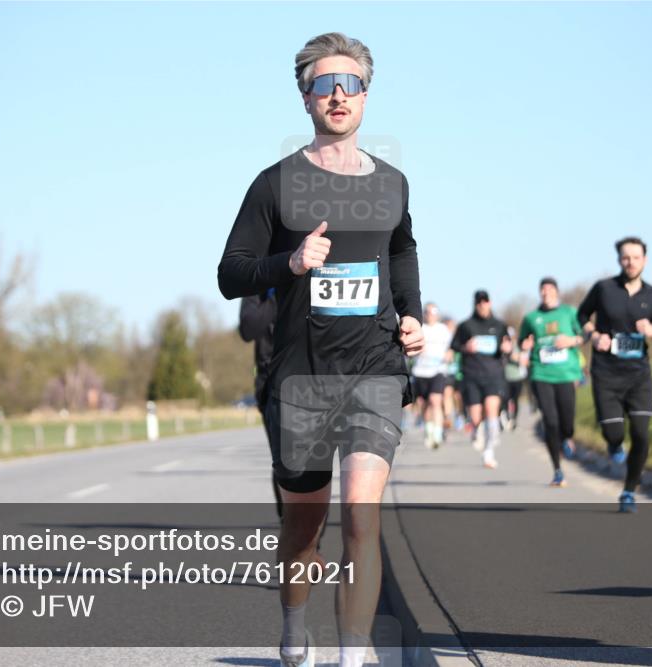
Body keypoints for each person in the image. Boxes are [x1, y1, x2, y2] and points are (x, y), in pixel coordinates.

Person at [218, 32, 424, 667]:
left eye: (350, 84)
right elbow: (231, 273)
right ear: (305, 98)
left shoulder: (392, 183)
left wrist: (411, 314)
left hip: (376, 368)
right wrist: (290, 261)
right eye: (324, 85)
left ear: (366, 95)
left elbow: (401, 250)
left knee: (361, 516)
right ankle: (293, 623)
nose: (338, 94)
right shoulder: (275, 184)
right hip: (302, 375)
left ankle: (351, 658)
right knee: (303, 529)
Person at [577, 237, 652, 513]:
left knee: (641, 434)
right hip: (606, 374)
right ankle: (614, 444)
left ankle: (629, 491)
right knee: (614, 433)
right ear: (619, 260)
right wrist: (594, 335)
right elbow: (581, 316)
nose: (630, 262)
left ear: (645, 260)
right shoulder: (604, 288)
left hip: (638, 376)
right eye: (625, 257)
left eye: (636, 257)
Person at [519, 277, 587, 487]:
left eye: (549, 289)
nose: (546, 293)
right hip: (541, 374)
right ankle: (557, 470)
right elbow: (522, 341)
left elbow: (584, 335)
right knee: (550, 421)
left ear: (557, 292)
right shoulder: (531, 318)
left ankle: (567, 437)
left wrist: (571, 341)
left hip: (566, 374)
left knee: (567, 421)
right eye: (543, 290)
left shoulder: (569, 312)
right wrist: (525, 344)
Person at [451, 290, 511, 468]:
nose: (482, 305)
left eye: (485, 302)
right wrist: (465, 347)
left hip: (493, 375)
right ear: (475, 304)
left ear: (490, 303)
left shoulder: (499, 325)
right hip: (472, 375)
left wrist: (507, 348)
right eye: (479, 303)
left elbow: (507, 346)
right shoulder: (466, 325)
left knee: (491, 411)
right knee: (476, 418)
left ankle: (489, 452)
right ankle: (477, 430)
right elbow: (454, 346)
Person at [238, 289, 283, 516]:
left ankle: (310, 525)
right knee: (284, 459)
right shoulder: (260, 287)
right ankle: (290, 523)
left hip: (310, 376)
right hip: (270, 382)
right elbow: (248, 329)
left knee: (314, 461)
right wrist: (279, 293)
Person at [411, 302, 452, 449]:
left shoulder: (443, 330)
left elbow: (451, 348)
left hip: (438, 370)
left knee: (436, 400)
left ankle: (437, 434)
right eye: (428, 312)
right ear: (424, 313)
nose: (431, 314)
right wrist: (417, 349)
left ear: (437, 314)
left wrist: (449, 354)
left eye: (434, 312)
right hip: (420, 371)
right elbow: (409, 350)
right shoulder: (419, 328)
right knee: (424, 404)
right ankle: (428, 431)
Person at [503, 325, 528, 431]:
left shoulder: (519, 346)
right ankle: (506, 418)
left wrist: (516, 357)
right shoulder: (502, 347)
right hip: (505, 377)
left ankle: (514, 419)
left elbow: (524, 361)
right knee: (505, 400)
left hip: (517, 377)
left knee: (515, 399)